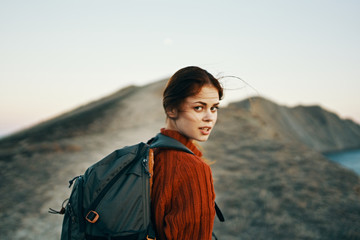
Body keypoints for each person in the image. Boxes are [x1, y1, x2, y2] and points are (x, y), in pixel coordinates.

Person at [151, 66, 223, 240]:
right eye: (199, 108)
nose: (209, 117)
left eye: (214, 108)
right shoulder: (192, 168)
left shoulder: (152, 150)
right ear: (171, 109)